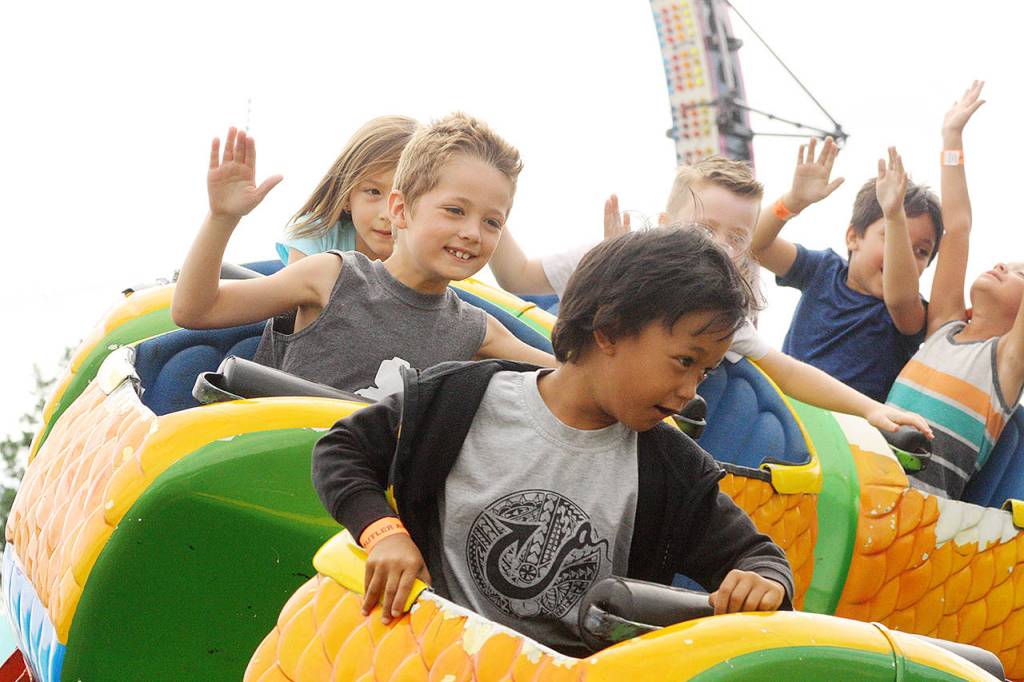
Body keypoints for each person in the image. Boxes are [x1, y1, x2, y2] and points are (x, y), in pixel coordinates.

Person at [312, 228, 793, 656]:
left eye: (705, 371)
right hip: (427, 655)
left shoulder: (675, 471)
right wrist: (383, 533)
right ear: (608, 331)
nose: (692, 391)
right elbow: (342, 450)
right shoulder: (460, 399)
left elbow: (758, 556)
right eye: (684, 361)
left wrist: (762, 582)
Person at [490, 156, 931, 436]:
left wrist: (872, 410)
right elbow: (515, 276)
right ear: (664, 222)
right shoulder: (609, 253)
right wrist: (493, 206)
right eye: (704, 230)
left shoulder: (717, 315)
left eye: (736, 237)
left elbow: (787, 371)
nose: (719, 246)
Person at [171, 114, 555, 395]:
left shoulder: (475, 328)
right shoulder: (330, 276)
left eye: (492, 223)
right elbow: (195, 310)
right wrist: (222, 219)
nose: (472, 233)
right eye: (455, 211)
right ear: (401, 210)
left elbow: (571, 374)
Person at [884, 82, 1023, 498]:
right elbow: (957, 228)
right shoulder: (943, 327)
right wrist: (951, 138)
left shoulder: (1007, 362)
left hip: (922, 509)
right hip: (866, 474)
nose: (1002, 265)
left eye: (1019, 272)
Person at [751, 137, 944, 403]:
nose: (907, 257)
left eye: (921, 251)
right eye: (892, 237)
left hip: (850, 430)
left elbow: (899, 296)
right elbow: (756, 246)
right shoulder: (823, 270)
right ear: (853, 237)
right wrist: (792, 202)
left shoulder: (909, 312)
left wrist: (895, 218)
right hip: (787, 407)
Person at [276, 115, 417, 265]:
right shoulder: (318, 237)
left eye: (406, 197)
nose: (387, 215)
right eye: (373, 192)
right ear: (346, 197)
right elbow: (296, 289)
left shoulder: (428, 256)